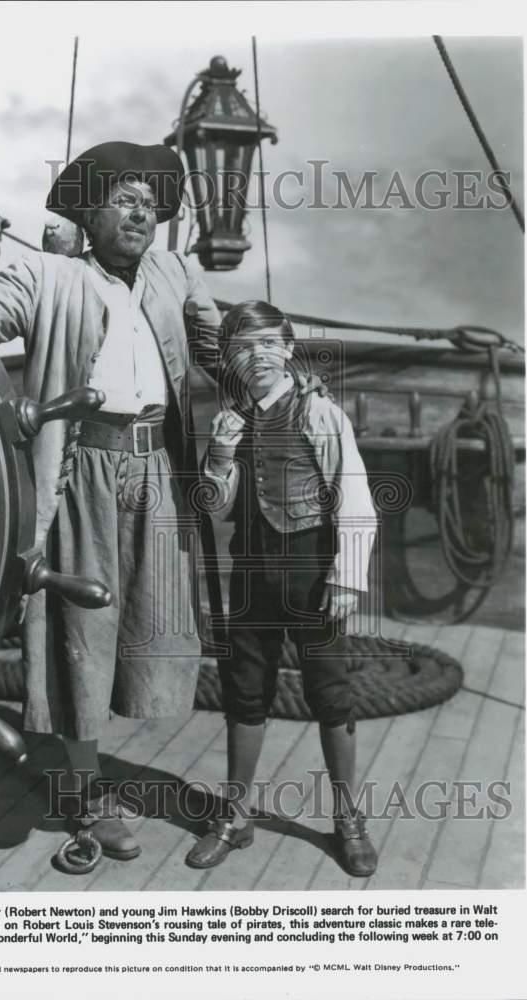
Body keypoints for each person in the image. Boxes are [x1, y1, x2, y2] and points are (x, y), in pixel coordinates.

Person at [0, 142, 222, 861]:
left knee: (152, 626)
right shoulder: (47, 274)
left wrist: (282, 381)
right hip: (80, 468)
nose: (142, 214)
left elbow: (218, 350)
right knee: (79, 628)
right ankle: (85, 791)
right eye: (125, 200)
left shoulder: (172, 270)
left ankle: (109, 769)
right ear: (90, 212)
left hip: (156, 469)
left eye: (151, 205)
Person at [185, 300, 380, 876]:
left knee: (330, 694)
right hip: (251, 574)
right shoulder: (232, 419)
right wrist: (219, 455)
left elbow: (356, 498)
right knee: (244, 691)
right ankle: (236, 816)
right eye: (243, 347)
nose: (258, 355)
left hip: (313, 571)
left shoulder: (322, 415)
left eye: (269, 342)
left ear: (289, 348)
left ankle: (348, 821)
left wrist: (346, 577)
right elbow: (215, 508)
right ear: (230, 359)